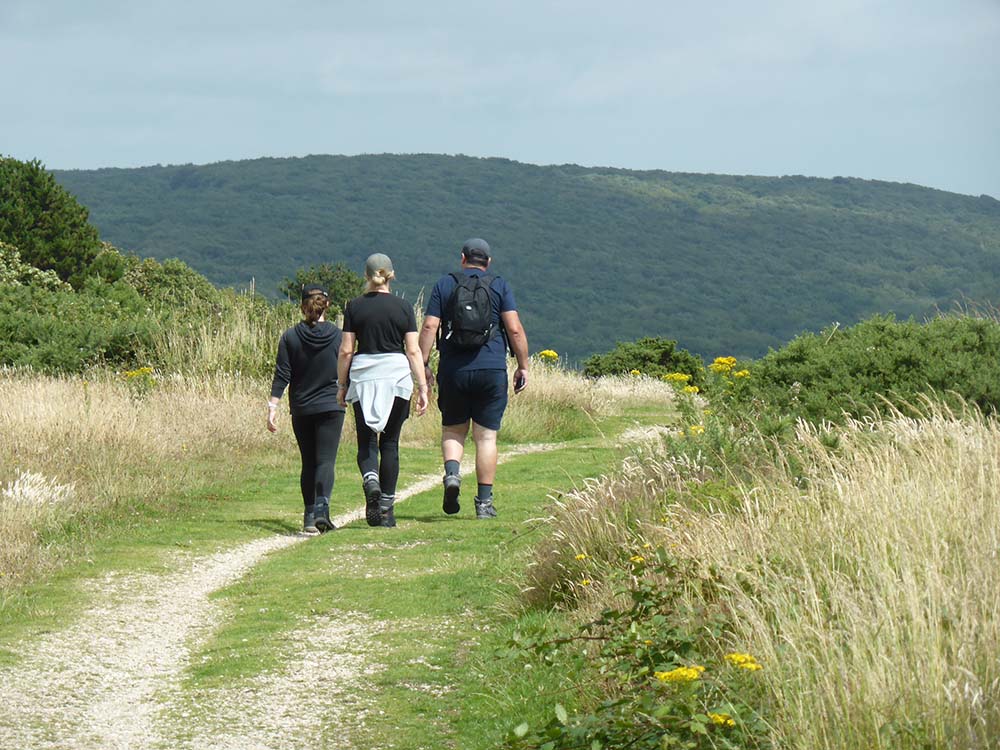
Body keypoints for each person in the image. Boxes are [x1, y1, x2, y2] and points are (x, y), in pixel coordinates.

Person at [418, 237, 529, 519]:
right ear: (488, 262)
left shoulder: (445, 284)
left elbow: (430, 326)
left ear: (463, 258)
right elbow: (514, 329)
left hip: (453, 370)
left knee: (453, 430)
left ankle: (452, 475)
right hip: (491, 369)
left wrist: (423, 364)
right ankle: (484, 504)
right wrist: (523, 366)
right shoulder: (499, 285)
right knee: (486, 437)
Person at [338, 253, 428, 528]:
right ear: (391, 275)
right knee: (390, 443)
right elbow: (413, 350)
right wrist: (423, 387)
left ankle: (371, 480)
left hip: (363, 376)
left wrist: (341, 385)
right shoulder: (403, 308)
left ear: (366, 276)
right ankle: (386, 510)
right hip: (396, 375)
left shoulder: (354, 307)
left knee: (366, 441)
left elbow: (346, 350)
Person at [268, 285, 345, 535]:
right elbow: (347, 367)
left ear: (302, 306)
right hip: (331, 405)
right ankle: (323, 509)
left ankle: (309, 516)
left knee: (308, 461)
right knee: (325, 461)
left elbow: (282, 374)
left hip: (302, 407)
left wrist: (272, 406)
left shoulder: (290, 337)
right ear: (327, 305)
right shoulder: (338, 336)